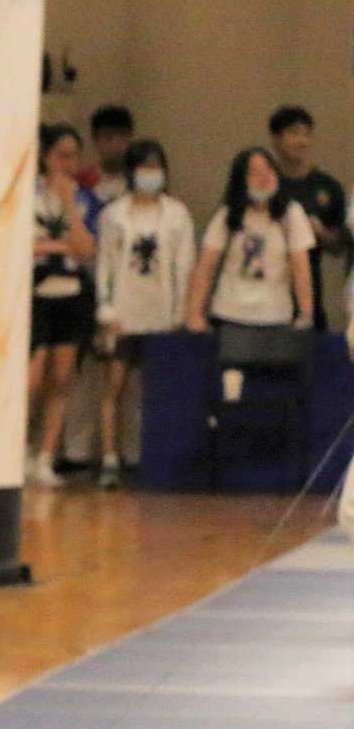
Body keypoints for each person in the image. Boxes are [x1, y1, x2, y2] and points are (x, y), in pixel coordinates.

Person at [91, 138, 193, 490]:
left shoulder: (177, 214)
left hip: (162, 315)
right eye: (144, 167)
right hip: (123, 313)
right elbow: (104, 265)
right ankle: (110, 458)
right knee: (114, 386)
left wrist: (181, 314)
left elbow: (185, 267)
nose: (151, 173)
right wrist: (105, 310)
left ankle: (154, 459)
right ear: (132, 171)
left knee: (157, 391)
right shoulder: (113, 214)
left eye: (157, 166)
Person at [27, 125, 99, 489]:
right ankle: (20, 449)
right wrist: (61, 247)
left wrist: (70, 205)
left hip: (72, 294)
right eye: (62, 155)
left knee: (63, 376)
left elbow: (87, 249)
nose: (69, 163)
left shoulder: (85, 198)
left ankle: (45, 456)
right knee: (33, 378)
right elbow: (25, 246)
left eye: (75, 155)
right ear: (45, 156)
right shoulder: (30, 195)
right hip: (37, 294)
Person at [186, 146, 317, 334]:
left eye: (269, 170)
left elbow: (301, 266)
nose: (264, 177)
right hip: (229, 313)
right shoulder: (228, 214)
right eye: (255, 172)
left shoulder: (291, 214)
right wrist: (194, 313)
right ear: (241, 180)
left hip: (276, 315)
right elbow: (207, 264)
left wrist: (306, 314)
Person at [268, 107, 347, 332]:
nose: (301, 141)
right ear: (275, 138)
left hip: (311, 289)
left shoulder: (327, 187)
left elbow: (339, 246)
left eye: (306, 134)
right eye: (293, 133)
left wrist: (321, 232)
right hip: (268, 290)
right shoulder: (266, 185)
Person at [86, 104, 136, 206]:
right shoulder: (83, 182)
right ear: (95, 140)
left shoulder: (140, 181)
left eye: (122, 136)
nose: (115, 144)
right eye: (108, 136)